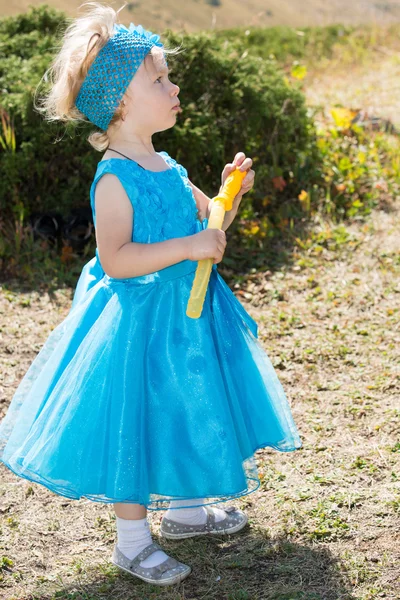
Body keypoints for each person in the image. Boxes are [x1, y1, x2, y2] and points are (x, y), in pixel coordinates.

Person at [0, 1, 302, 587]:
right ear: (119, 101)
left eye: (168, 76)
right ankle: (132, 542)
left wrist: (226, 197)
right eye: (158, 78)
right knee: (136, 418)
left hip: (188, 318)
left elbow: (205, 227)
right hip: (140, 320)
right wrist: (189, 247)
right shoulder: (115, 177)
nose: (173, 85)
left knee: (188, 405)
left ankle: (187, 512)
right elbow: (116, 259)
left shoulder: (165, 162)